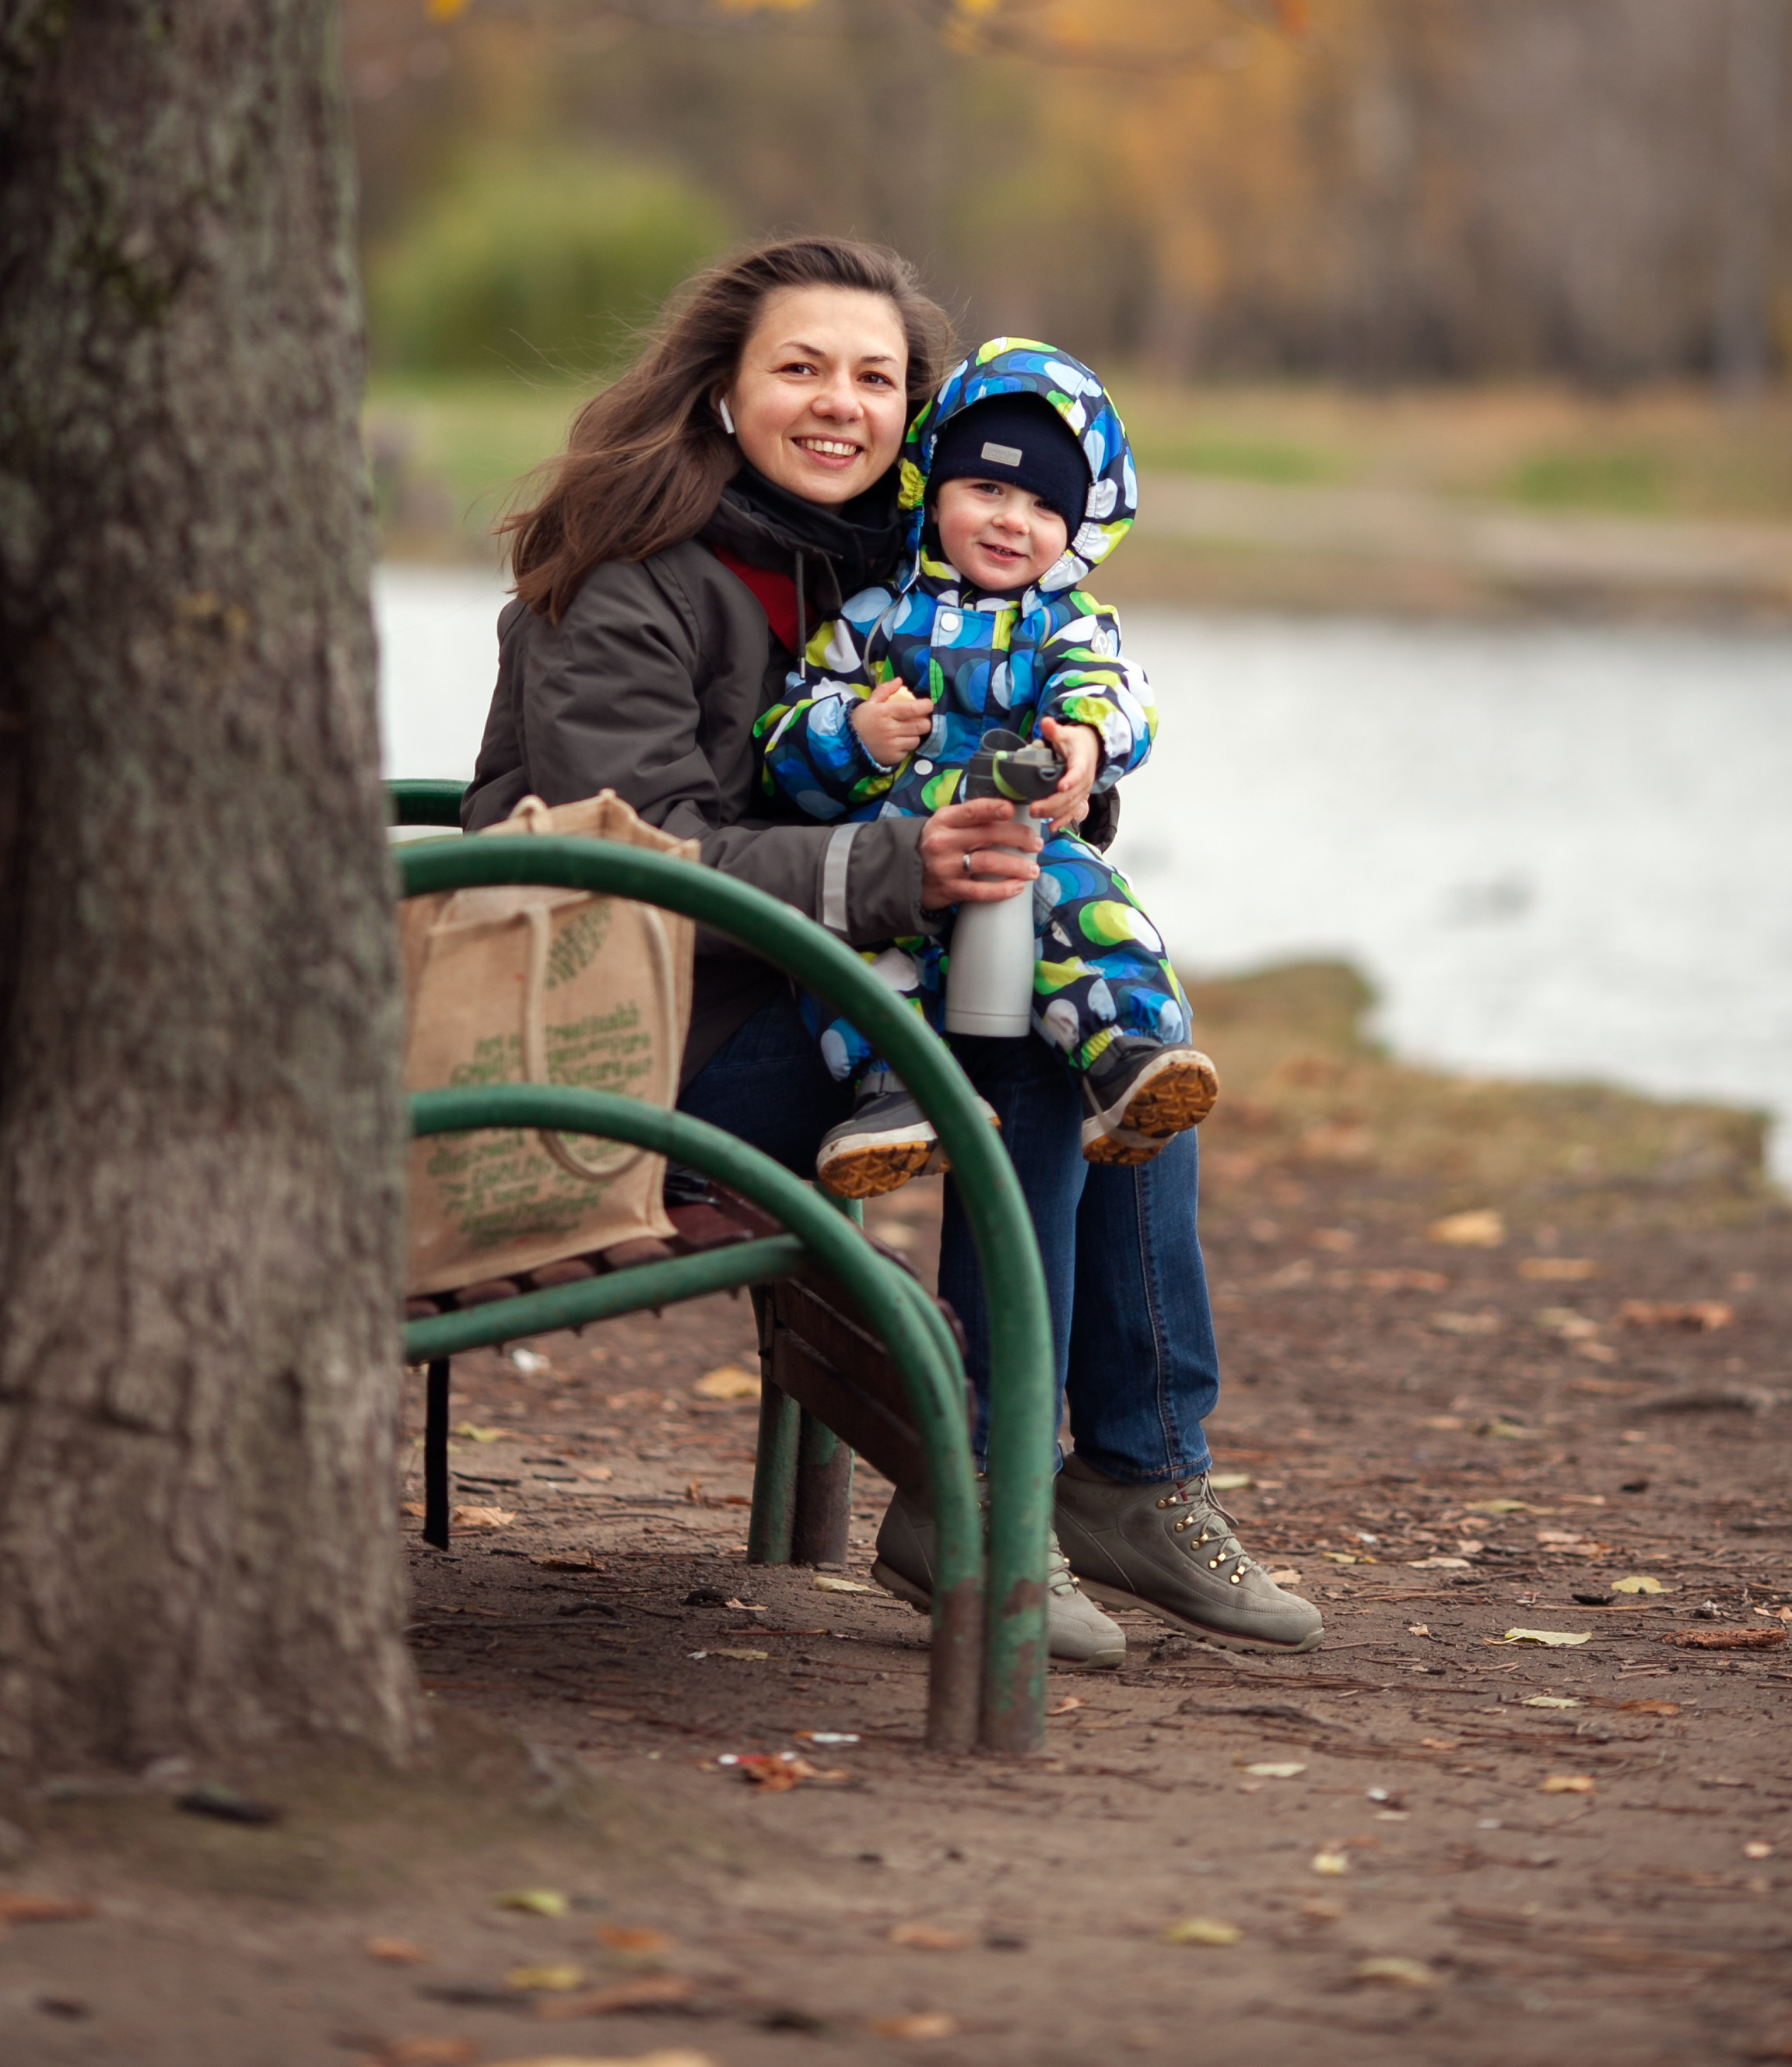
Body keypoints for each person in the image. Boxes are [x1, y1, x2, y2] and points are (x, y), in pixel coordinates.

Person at [465, 236, 1322, 1663]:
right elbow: (631, 858)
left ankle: (1138, 1476)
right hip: (643, 1035)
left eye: (874, 377)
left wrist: (1060, 772)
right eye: (798, 368)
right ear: (721, 394)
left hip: (811, 989)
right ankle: (982, 1498)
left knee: (1107, 1032)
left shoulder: (892, 557)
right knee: (1036, 1067)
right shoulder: (630, 576)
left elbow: (1025, 676)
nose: (838, 404)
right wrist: (888, 865)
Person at [759, 338, 1218, 1198]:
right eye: (988, 489)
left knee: (1088, 904)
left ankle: (1127, 1054)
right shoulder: (871, 617)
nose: (1013, 519)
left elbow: (1113, 690)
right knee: (842, 948)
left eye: (1045, 505)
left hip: (1018, 847)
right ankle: (895, 1092)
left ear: (1081, 528)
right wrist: (850, 731)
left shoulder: (1068, 624)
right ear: (931, 489)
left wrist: (1086, 743)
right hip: (892, 852)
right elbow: (784, 741)